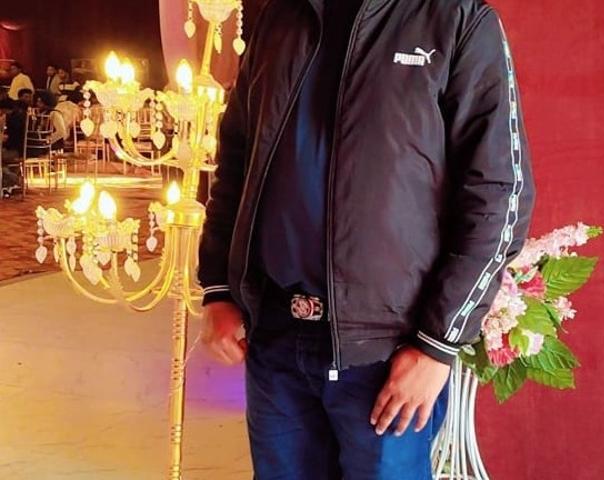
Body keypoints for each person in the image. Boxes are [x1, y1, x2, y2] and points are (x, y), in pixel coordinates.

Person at [198, 1, 536, 479]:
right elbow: (236, 160)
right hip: (276, 337)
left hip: (387, 354)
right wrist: (218, 287)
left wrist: (438, 345)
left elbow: (500, 193)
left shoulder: (455, 19)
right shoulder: (279, 15)